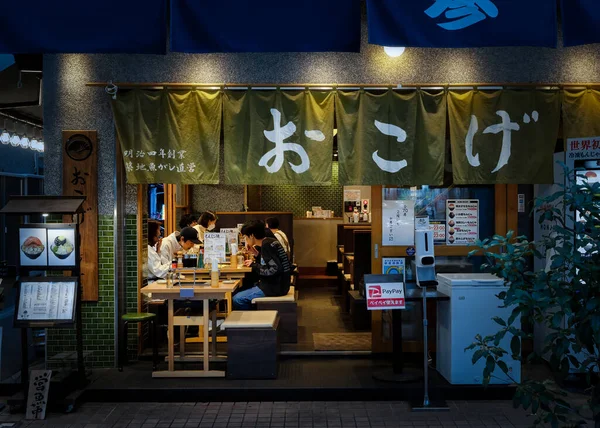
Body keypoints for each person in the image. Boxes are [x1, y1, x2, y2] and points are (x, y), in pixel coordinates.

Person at [232, 220, 291, 310]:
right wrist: (256, 254)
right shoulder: (270, 241)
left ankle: (250, 320)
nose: (245, 240)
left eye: (245, 237)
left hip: (274, 287)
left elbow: (273, 269)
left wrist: (254, 265)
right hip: (281, 284)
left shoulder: (266, 245)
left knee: (237, 299)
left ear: (251, 235)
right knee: (242, 290)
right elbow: (270, 262)